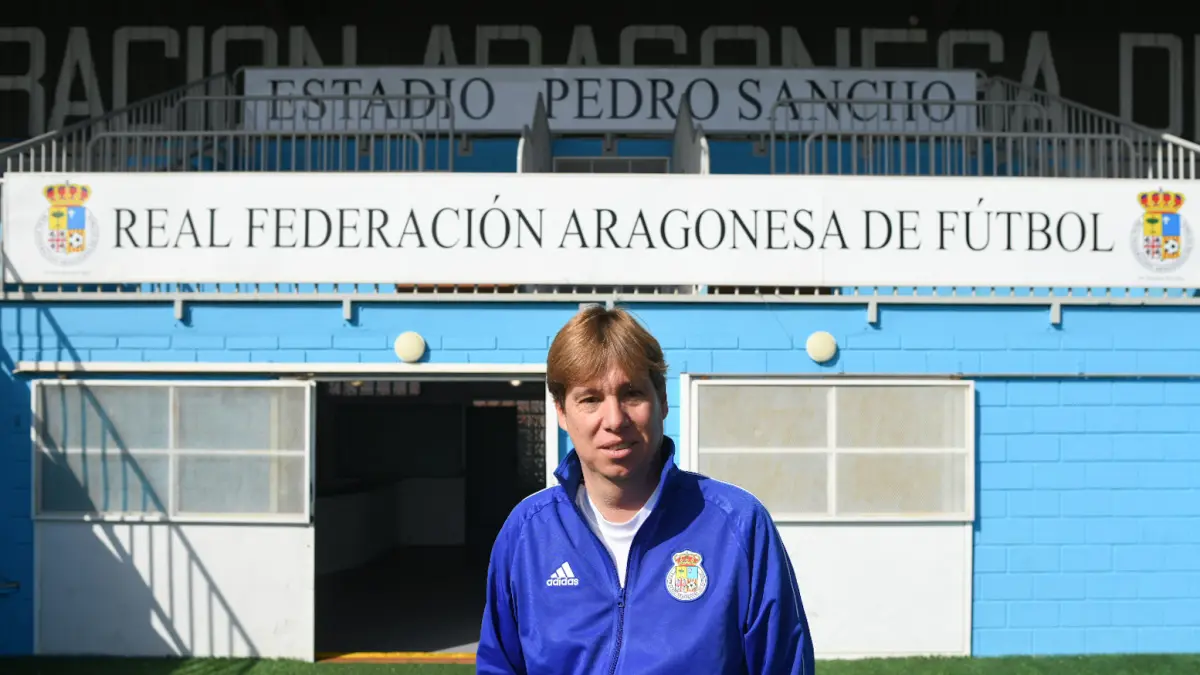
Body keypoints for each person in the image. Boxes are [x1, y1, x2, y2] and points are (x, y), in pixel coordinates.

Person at [477, 305, 815, 675]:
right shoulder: (527, 533)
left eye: (632, 393)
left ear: (662, 400)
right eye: (590, 399)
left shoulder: (739, 525)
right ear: (561, 412)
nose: (615, 419)